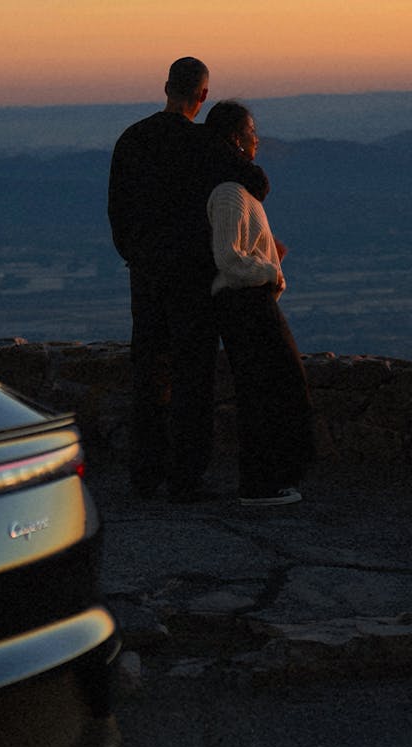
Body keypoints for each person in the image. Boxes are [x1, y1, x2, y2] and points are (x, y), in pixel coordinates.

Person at [107, 57, 270, 502]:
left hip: (146, 275)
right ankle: (185, 477)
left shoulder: (132, 140)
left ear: (165, 87)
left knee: (149, 372)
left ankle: (144, 473)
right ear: (202, 96)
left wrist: (137, 258)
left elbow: (117, 215)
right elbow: (256, 182)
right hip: (194, 278)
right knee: (192, 375)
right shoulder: (204, 144)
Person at [203, 100, 315, 505]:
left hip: (251, 301)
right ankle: (260, 484)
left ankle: (269, 478)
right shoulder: (230, 192)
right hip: (244, 304)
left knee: (269, 387)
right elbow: (228, 257)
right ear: (235, 138)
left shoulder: (239, 188)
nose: (257, 139)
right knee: (268, 389)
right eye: (251, 131)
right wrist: (269, 273)